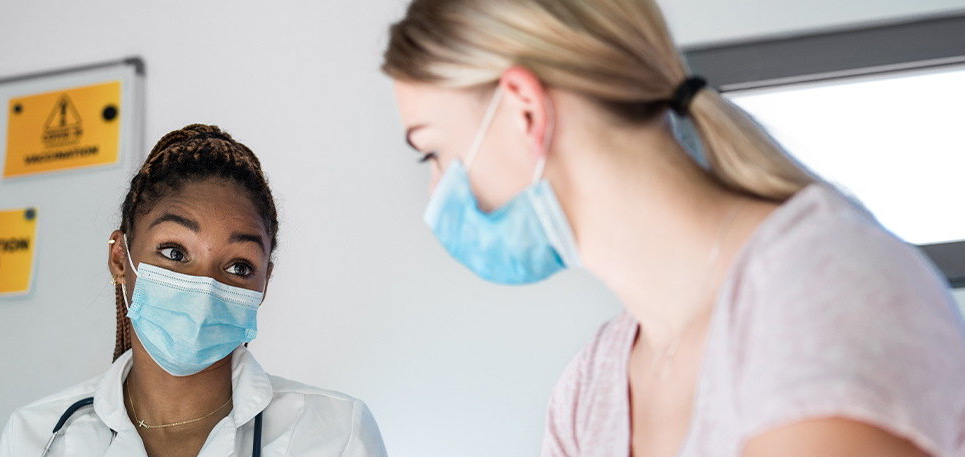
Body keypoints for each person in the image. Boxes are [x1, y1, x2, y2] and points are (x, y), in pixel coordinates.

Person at [381, 1, 965, 456]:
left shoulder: (819, 292)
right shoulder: (592, 384)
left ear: (524, 110)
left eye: (431, 153)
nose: (437, 196)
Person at [0, 124, 387, 457]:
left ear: (263, 283)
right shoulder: (40, 438)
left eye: (239, 266)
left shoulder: (336, 434)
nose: (205, 288)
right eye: (174, 252)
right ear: (120, 258)